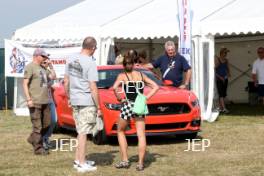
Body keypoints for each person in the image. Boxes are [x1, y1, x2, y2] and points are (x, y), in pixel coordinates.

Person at [113, 54, 159, 171]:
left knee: (120, 131)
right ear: (133, 65)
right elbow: (156, 86)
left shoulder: (122, 76)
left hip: (128, 104)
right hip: (140, 105)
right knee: (141, 135)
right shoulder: (141, 75)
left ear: (123, 66)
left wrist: (119, 97)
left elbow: (114, 88)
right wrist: (146, 97)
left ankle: (125, 160)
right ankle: (140, 163)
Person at [64, 36, 101, 173]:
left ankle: (78, 159)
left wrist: (69, 97)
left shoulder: (70, 59)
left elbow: (66, 81)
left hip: (74, 99)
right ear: (92, 48)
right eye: (95, 48)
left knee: (80, 130)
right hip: (86, 101)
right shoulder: (90, 62)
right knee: (84, 132)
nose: (95, 51)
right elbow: (93, 87)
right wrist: (98, 107)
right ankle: (82, 163)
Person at [23, 48, 51, 155]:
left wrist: (50, 66)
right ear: (37, 56)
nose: (45, 58)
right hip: (35, 101)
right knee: (37, 126)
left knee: (47, 124)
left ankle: (32, 138)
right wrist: (28, 99)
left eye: (46, 57)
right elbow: (25, 84)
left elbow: (53, 76)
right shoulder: (30, 67)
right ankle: (38, 149)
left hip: (45, 101)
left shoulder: (43, 68)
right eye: (43, 56)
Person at [40, 58, 57, 149]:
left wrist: (51, 66)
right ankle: (42, 140)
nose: (46, 62)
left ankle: (46, 137)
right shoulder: (40, 71)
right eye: (45, 61)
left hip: (50, 100)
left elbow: (54, 77)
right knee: (44, 121)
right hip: (42, 101)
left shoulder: (47, 71)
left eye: (47, 61)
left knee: (54, 120)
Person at [215, 48, 231, 113]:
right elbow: (214, 71)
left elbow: (228, 69)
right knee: (221, 94)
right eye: (225, 53)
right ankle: (224, 108)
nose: (226, 54)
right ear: (221, 53)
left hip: (225, 79)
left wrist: (228, 74)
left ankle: (221, 107)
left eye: (226, 53)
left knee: (223, 94)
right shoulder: (217, 60)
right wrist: (220, 77)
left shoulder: (226, 60)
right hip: (219, 79)